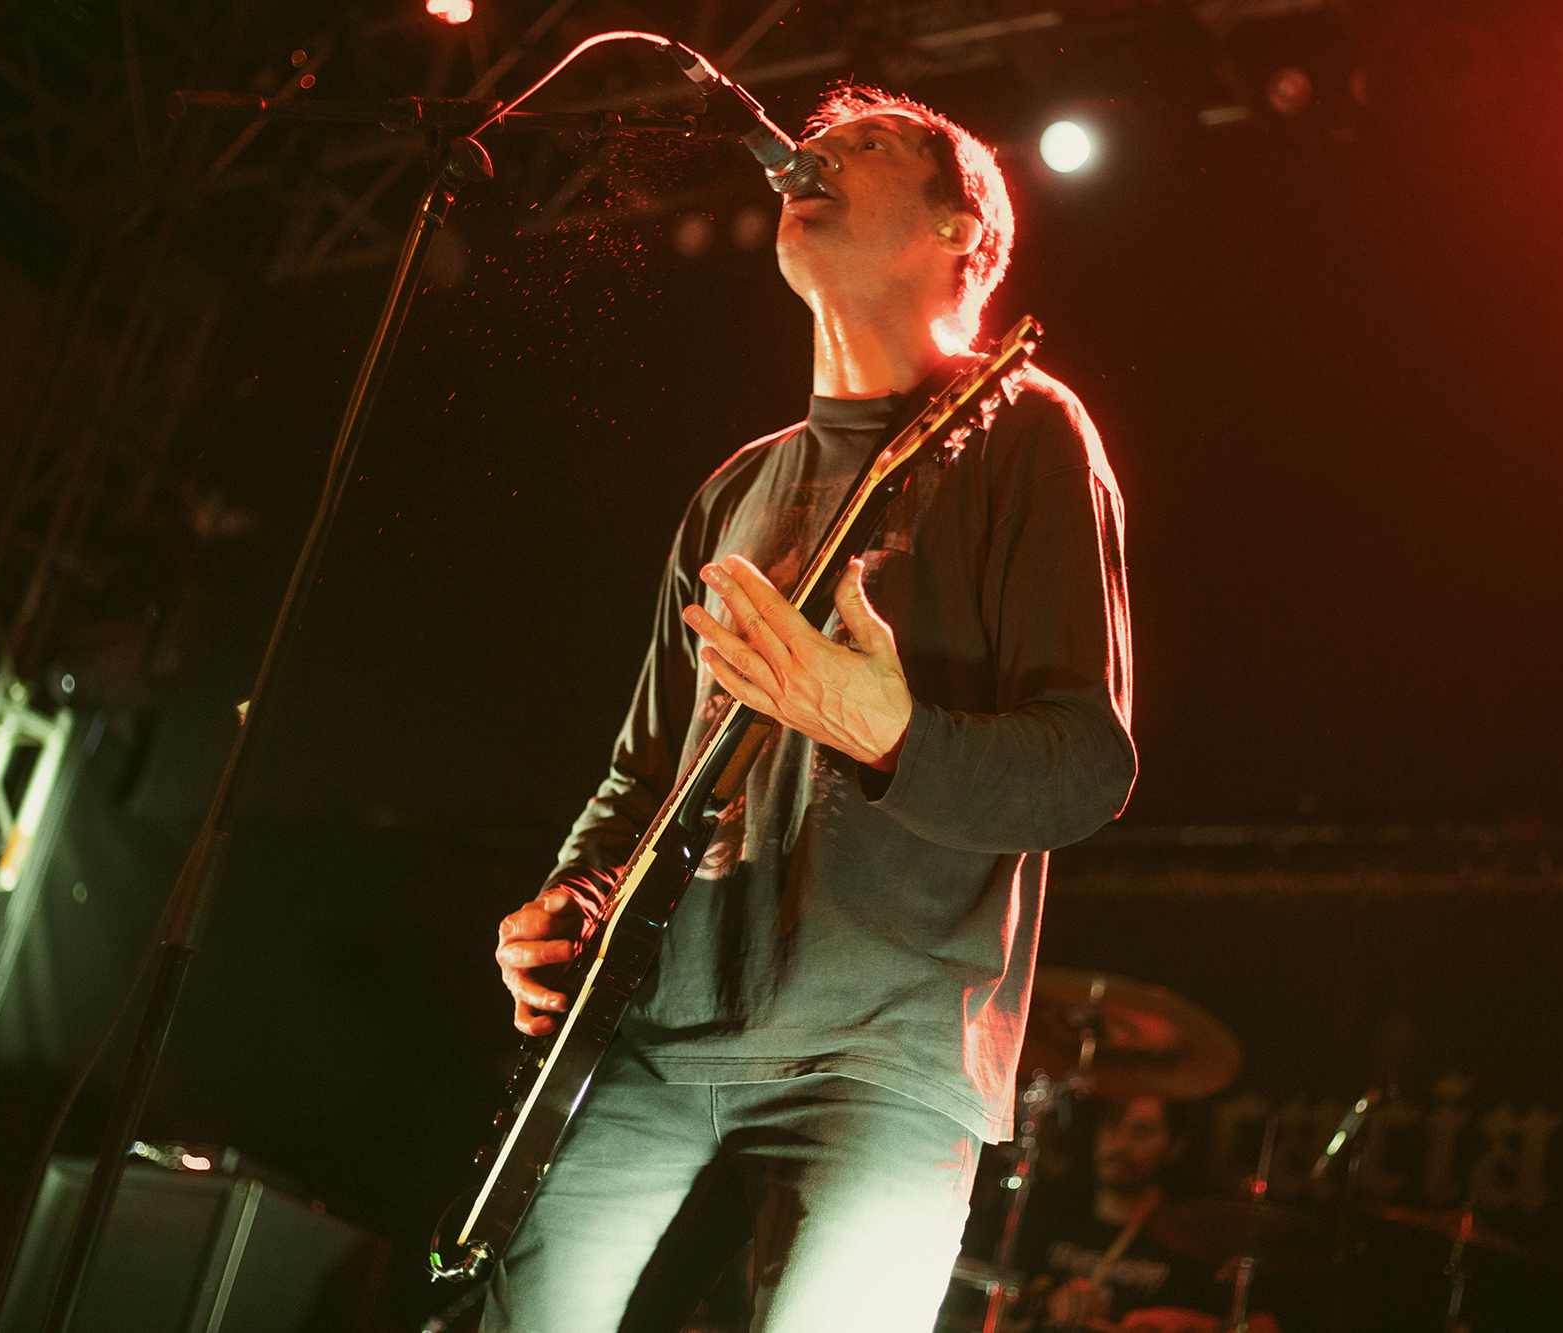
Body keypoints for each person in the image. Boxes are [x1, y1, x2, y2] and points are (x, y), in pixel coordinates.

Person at [488, 83, 1138, 1333]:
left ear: (959, 229)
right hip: (650, 1035)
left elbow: (1081, 769)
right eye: (814, 142)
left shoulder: (1027, 431)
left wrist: (884, 728)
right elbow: (641, 775)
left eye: (866, 145)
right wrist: (566, 902)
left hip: (883, 1058)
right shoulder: (731, 489)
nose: (810, 155)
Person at [1006, 1098, 1280, 1333]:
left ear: (1175, 1145)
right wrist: (1046, 1302)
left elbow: (1264, 1326)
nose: (1121, 1143)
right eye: (1113, 1125)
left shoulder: (1197, 1233)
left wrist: (1193, 1325)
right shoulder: (1051, 1210)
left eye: (1142, 1131)